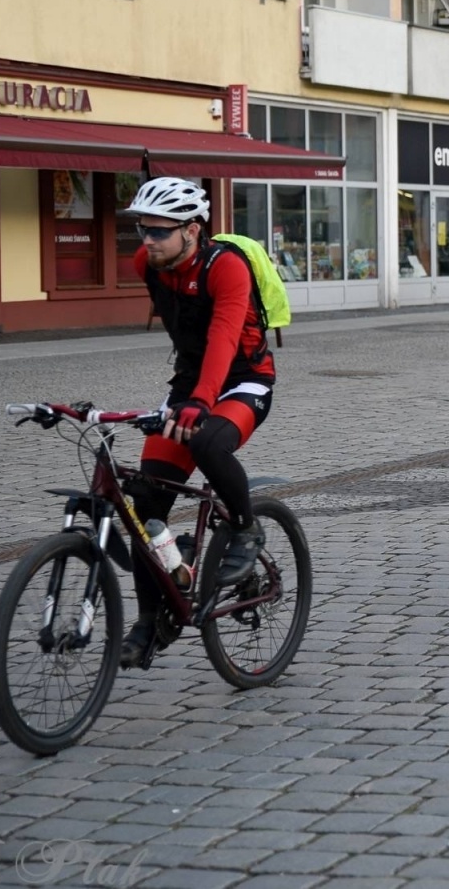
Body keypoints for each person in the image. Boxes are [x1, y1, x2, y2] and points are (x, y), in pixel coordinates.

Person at [120, 177, 276, 668]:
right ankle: (149, 621)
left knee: (208, 443)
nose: (147, 241)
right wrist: (188, 397)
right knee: (146, 502)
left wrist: (202, 402)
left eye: (159, 232)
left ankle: (246, 528)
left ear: (192, 230)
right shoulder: (147, 263)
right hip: (190, 383)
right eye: (143, 230)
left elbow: (224, 336)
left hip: (245, 380)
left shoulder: (225, 267)